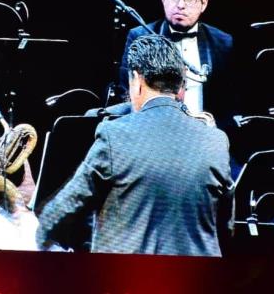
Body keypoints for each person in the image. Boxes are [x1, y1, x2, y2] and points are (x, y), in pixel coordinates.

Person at [38, 35, 233, 256]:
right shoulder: (216, 141)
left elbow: (60, 213)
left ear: (137, 82)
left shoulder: (113, 135)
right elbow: (226, 228)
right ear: (182, 88)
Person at [118, 0, 235, 129]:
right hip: (154, 134)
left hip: (206, 137)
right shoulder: (140, 36)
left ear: (204, 3)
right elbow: (126, 95)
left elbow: (229, 102)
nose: (180, 5)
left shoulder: (222, 42)